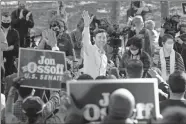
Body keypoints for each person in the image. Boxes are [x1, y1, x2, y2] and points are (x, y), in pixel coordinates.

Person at [82, 11, 108, 79]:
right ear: (94, 39)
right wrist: (86, 26)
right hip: (89, 85)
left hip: (101, 86)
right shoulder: (90, 49)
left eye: (104, 38)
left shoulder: (104, 56)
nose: (102, 40)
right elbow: (86, 40)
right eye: (99, 37)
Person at [1, 12, 19, 76]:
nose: (6, 22)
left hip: (10, 60)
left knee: (8, 77)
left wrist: (5, 48)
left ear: (10, 20)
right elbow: (12, 46)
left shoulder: (15, 32)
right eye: (4, 21)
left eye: (8, 21)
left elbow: (16, 47)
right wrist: (10, 47)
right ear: (1, 20)